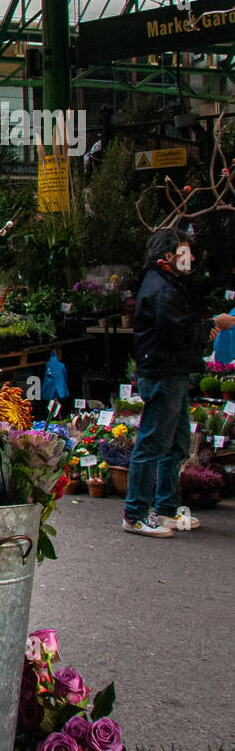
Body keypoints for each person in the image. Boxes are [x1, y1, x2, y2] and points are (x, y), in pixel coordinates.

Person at [125, 228, 235, 537]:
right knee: (152, 444)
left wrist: (206, 329)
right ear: (170, 256)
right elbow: (178, 335)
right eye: (186, 252)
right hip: (163, 374)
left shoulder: (167, 284)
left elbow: (181, 331)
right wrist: (213, 325)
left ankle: (167, 509)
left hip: (171, 372)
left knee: (175, 444)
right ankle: (135, 514)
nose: (193, 258)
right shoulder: (164, 289)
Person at [42, 348, 69, 418]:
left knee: (51, 403)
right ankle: (58, 417)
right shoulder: (61, 365)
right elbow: (65, 375)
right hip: (59, 388)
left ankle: (51, 417)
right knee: (58, 403)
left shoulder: (48, 365)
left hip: (49, 388)